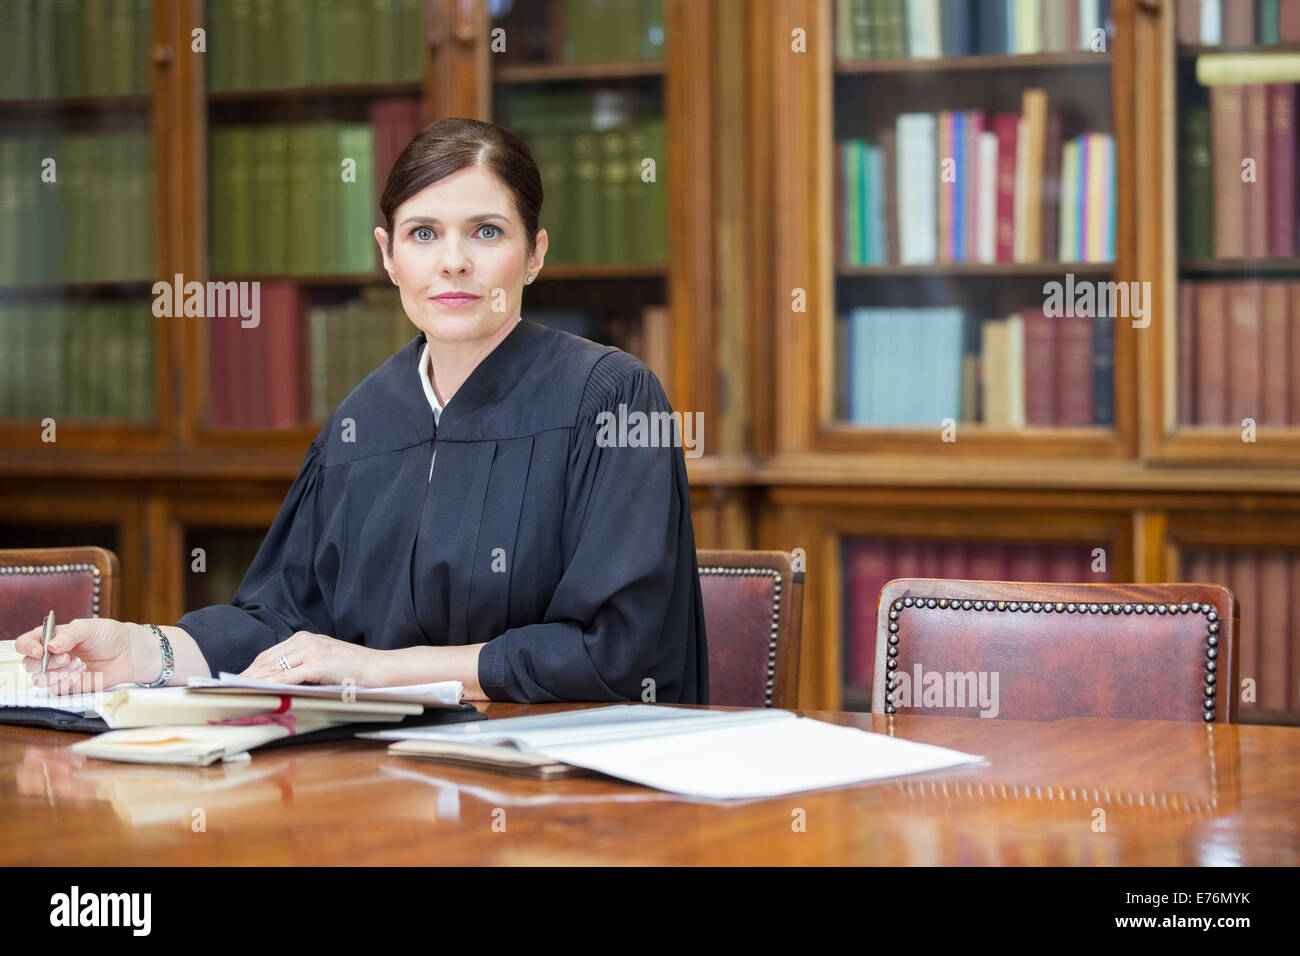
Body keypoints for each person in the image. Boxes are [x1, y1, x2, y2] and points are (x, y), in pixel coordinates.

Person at [16, 117, 709, 704]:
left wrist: (377, 672)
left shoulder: (609, 400)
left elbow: (618, 655)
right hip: (385, 787)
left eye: (488, 232)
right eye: (424, 234)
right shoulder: (362, 423)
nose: (454, 263)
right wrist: (144, 651)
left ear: (535, 255)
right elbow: (282, 621)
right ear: (388, 257)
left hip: (567, 800)